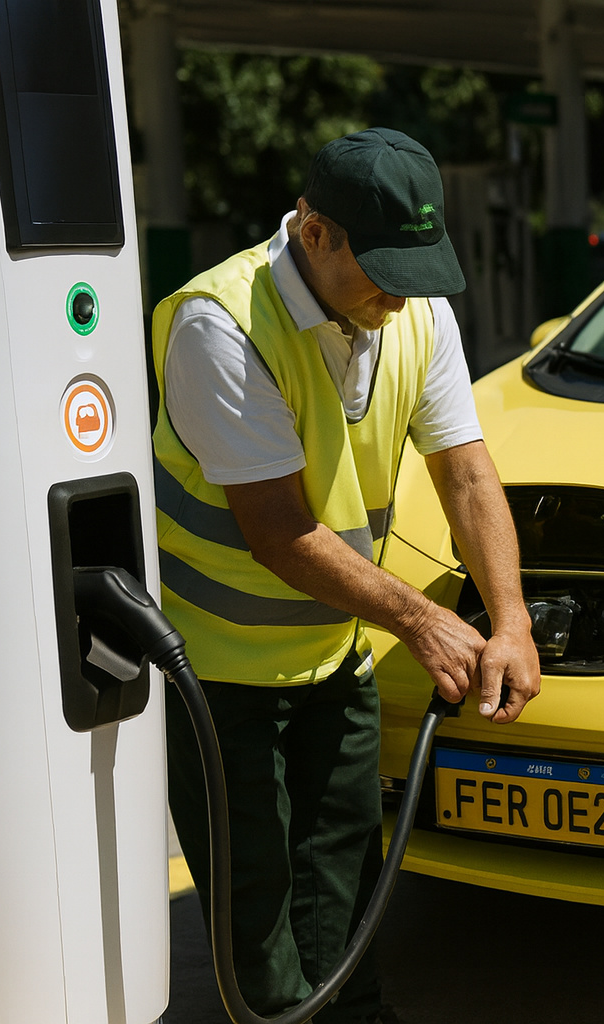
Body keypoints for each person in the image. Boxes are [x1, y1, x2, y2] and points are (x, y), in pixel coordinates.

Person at [152, 127, 541, 1022]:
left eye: (417, 274)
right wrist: (424, 621)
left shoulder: (415, 308)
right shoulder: (218, 324)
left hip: (337, 657)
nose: (401, 301)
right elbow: (280, 531)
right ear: (312, 230)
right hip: (221, 679)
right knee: (262, 930)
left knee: (350, 909)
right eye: (384, 274)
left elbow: (467, 473)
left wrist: (508, 618)